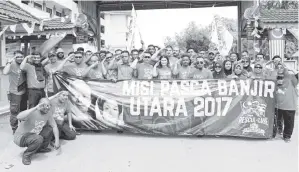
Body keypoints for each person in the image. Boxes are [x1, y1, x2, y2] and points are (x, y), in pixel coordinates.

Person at [13, 98, 60, 165]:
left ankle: (40, 148)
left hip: (34, 135)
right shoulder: (33, 112)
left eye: (48, 105)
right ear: (39, 105)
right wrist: (35, 108)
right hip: (21, 137)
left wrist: (57, 140)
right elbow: (18, 117)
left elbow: (54, 126)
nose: (46, 107)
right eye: (44, 105)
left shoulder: (48, 113)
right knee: (38, 138)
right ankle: (26, 155)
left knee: (49, 129)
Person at [3, 50, 28, 134]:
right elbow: (5, 72)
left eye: (21, 56)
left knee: (23, 111)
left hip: (25, 92)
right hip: (15, 93)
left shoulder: (25, 64)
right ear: (14, 57)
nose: (20, 58)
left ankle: (23, 127)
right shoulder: (12, 65)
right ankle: (15, 129)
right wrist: (9, 62)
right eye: (17, 57)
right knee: (14, 112)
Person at [274, 63, 298, 142]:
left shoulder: (291, 77)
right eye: (278, 67)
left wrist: (292, 70)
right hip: (278, 105)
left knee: (289, 122)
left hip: (289, 104)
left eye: (282, 67)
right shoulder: (274, 78)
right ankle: (278, 132)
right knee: (277, 120)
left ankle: (287, 136)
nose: (280, 68)